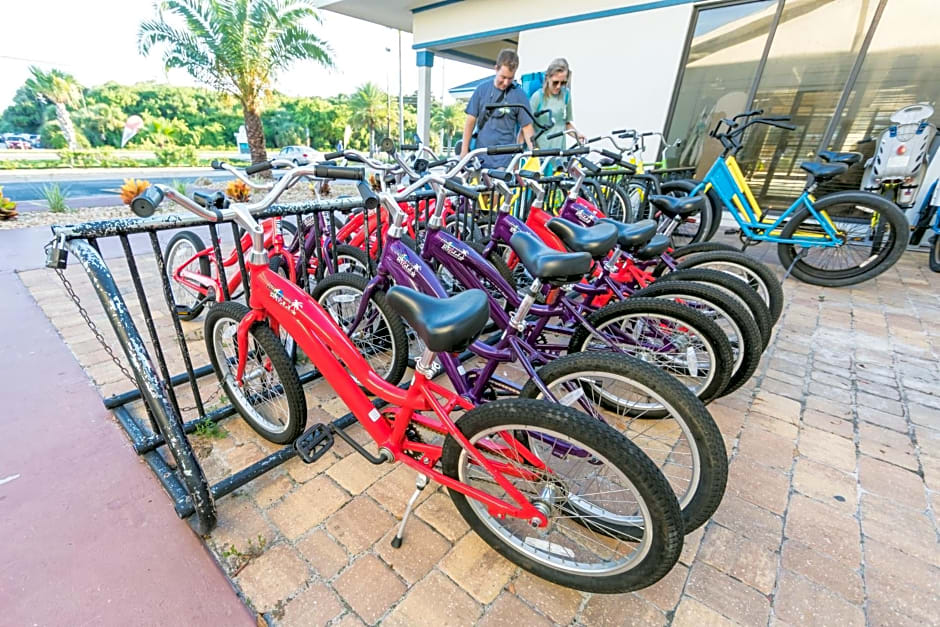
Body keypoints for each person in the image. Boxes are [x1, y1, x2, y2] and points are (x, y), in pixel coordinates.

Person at [461, 48, 535, 167]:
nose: (506, 82)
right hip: (481, 158)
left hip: (505, 161)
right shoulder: (481, 90)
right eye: (503, 77)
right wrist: (464, 151)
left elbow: (527, 128)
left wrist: (534, 153)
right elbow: (470, 121)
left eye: (510, 78)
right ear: (496, 69)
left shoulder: (519, 95)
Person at [530, 58, 585, 150]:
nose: (559, 86)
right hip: (541, 151)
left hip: (559, 151)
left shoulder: (566, 95)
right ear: (548, 78)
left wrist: (577, 135)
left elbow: (565, 123)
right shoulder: (537, 97)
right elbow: (527, 127)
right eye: (555, 82)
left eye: (563, 83)